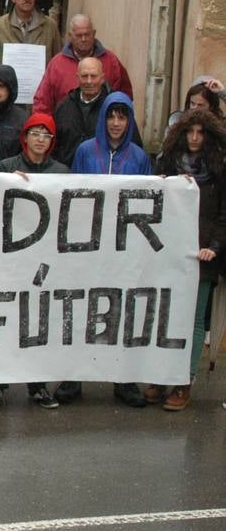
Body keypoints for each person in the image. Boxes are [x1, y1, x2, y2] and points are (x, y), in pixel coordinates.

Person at [63, 91, 151, 407]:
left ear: (129, 121)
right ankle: (72, 377)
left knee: (123, 310)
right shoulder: (86, 151)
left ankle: (124, 380)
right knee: (82, 308)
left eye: (122, 116)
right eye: (111, 116)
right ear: (103, 118)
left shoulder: (140, 157)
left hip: (124, 249)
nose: (116, 123)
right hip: (87, 245)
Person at [0, 111, 68, 411]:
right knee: (5, 320)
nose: (40, 139)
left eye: (46, 134)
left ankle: (37, 384)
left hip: (43, 259)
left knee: (38, 321)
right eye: (35, 133)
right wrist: (7, 181)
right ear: (25, 137)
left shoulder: (62, 172)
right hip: (10, 258)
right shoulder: (7, 167)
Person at [150, 109, 226, 411]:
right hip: (169, 253)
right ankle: (158, 375)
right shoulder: (166, 164)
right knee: (164, 316)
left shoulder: (219, 171)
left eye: (200, 133)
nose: (194, 138)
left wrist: (215, 247)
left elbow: (223, 216)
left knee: (193, 320)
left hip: (202, 255)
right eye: (190, 132)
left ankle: (183, 380)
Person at [31, 14, 134, 114]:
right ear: (70, 36)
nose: (83, 39)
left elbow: (125, 98)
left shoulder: (111, 61)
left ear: (94, 34)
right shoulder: (57, 64)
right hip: (65, 127)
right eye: (79, 35)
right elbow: (42, 103)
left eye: (87, 34)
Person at [52, 57, 114, 167]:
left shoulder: (113, 106)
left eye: (93, 76)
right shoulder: (64, 106)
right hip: (68, 175)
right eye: (84, 76)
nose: (89, 81)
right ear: (77, 77)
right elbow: (53, 145)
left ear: (102, 78)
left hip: (103, 176)